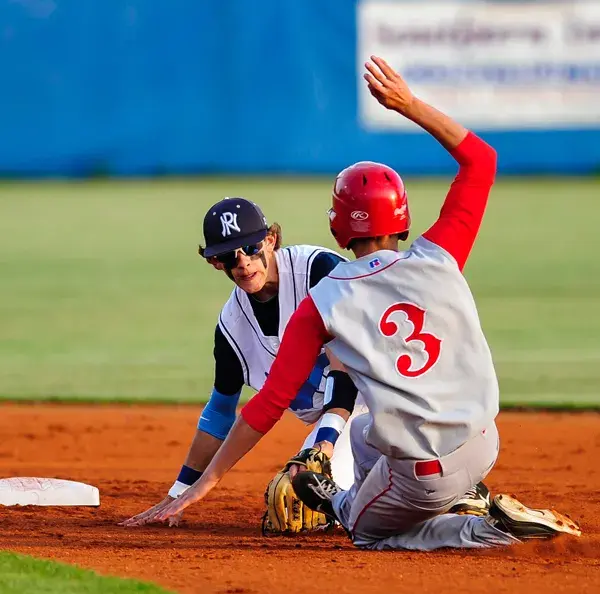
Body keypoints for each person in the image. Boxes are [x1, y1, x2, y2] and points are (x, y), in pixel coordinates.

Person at [120, 194, 488, 532]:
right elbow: (219, 412)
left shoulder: (320, 272)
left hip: (391, 405)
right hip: (351, 431)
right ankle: (443, 494)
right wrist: (181, 490)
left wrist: (324, 441)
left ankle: (455, 497)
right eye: (230, 256)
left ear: (271, 240)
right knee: (298, 509)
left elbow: (345, 369)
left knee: (324, 510)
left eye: (251, 248)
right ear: (215, 262)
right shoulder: (232, 328)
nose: (244, 263)